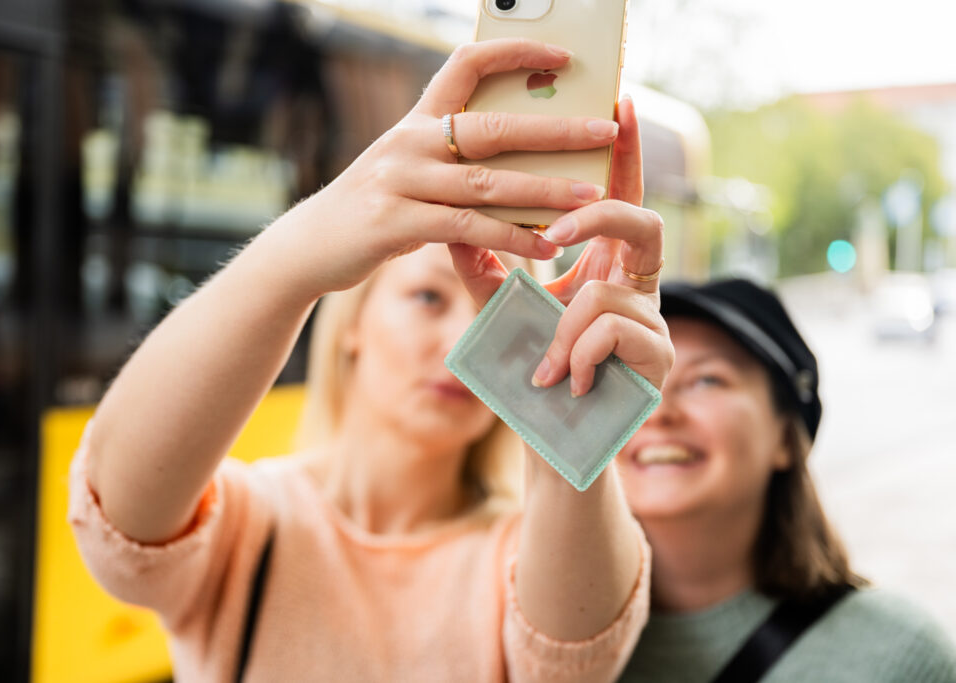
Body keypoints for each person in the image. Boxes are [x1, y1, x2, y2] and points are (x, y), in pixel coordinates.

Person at [69, 39, 671, 682]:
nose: (463, 343)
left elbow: (575, 660)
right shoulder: (248, 522)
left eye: (499, 315)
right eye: (425, 296)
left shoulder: (519, 558)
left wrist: (566, 400)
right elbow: (116, 518)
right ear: (352, 325)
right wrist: (304, 247)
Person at [616, 278, 956, 683]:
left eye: (706, 380)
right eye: (632, 380)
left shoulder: (904, 658)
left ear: (785, 438)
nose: (657, 412)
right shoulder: (532, 648)